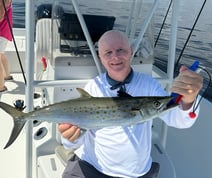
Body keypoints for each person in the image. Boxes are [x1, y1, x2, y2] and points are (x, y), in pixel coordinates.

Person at [58, 30, 203, 178]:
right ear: (100, 57)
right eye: (108, 52)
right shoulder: (93, 87)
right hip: (92, 167)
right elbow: (73, 142)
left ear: (131, 52)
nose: (115, 56)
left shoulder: (149, 85)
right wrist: (69, 137)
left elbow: (178, 119)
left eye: (121, 50)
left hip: (135, 173)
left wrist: (188, 99)